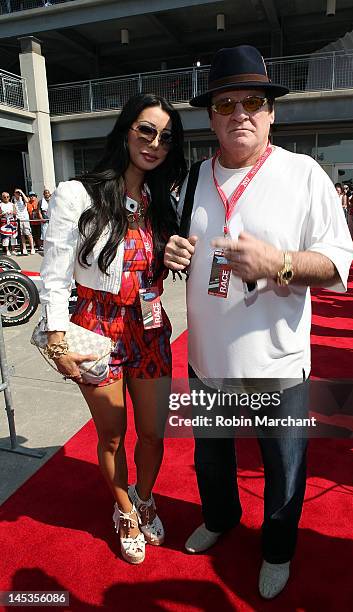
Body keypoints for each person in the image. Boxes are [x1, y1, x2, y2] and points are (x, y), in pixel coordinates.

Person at [164, 45, 353, 599]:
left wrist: (283, 263)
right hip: (206, 358)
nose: (240, 113)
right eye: (226, 103)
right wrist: (173, 252)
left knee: (283, 467)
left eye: (252, 101)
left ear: (271, 112)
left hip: (277, 362)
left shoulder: (304, 174)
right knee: (211, 456)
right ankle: (221, 519)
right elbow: (182, 248)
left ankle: (277, 549)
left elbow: (339, 261)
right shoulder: (195, 177)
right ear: (211, 116)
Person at [39, 93, 187, 564]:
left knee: (154, 433)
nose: (154, 143)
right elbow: (55, 274)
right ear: (125, 130)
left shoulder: (159, 200)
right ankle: (124, 510)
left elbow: (157, 264)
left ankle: (145, 497)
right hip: (96, 327)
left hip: (149, 328)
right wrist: (57, 338)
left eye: (165, 137)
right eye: (146, 130)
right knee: (112, 435)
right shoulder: (77, 193)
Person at [12, 188, 35, 255]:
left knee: (28, 234)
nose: (18, 194)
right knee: (21, 234)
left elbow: (27, 201)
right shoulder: (13, 200)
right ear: (14, 193)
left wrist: (21, 192)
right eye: (16, 192)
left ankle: (32, 248)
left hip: (25, 218)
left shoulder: (23, 198)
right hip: (18, 219)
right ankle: (24, 248)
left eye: (18, 192)